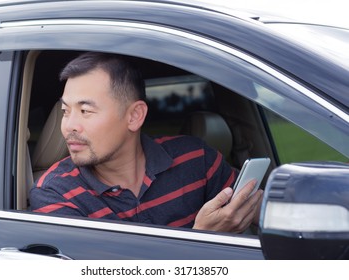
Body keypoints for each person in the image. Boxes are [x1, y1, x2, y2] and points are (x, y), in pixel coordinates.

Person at [29, 51, 263, 233]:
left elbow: (261, 211)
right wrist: (203, 238)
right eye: (65, 111)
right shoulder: (55, 193)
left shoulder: (196, 159)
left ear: (134, 116)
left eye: (85, 111)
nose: (68, 125)